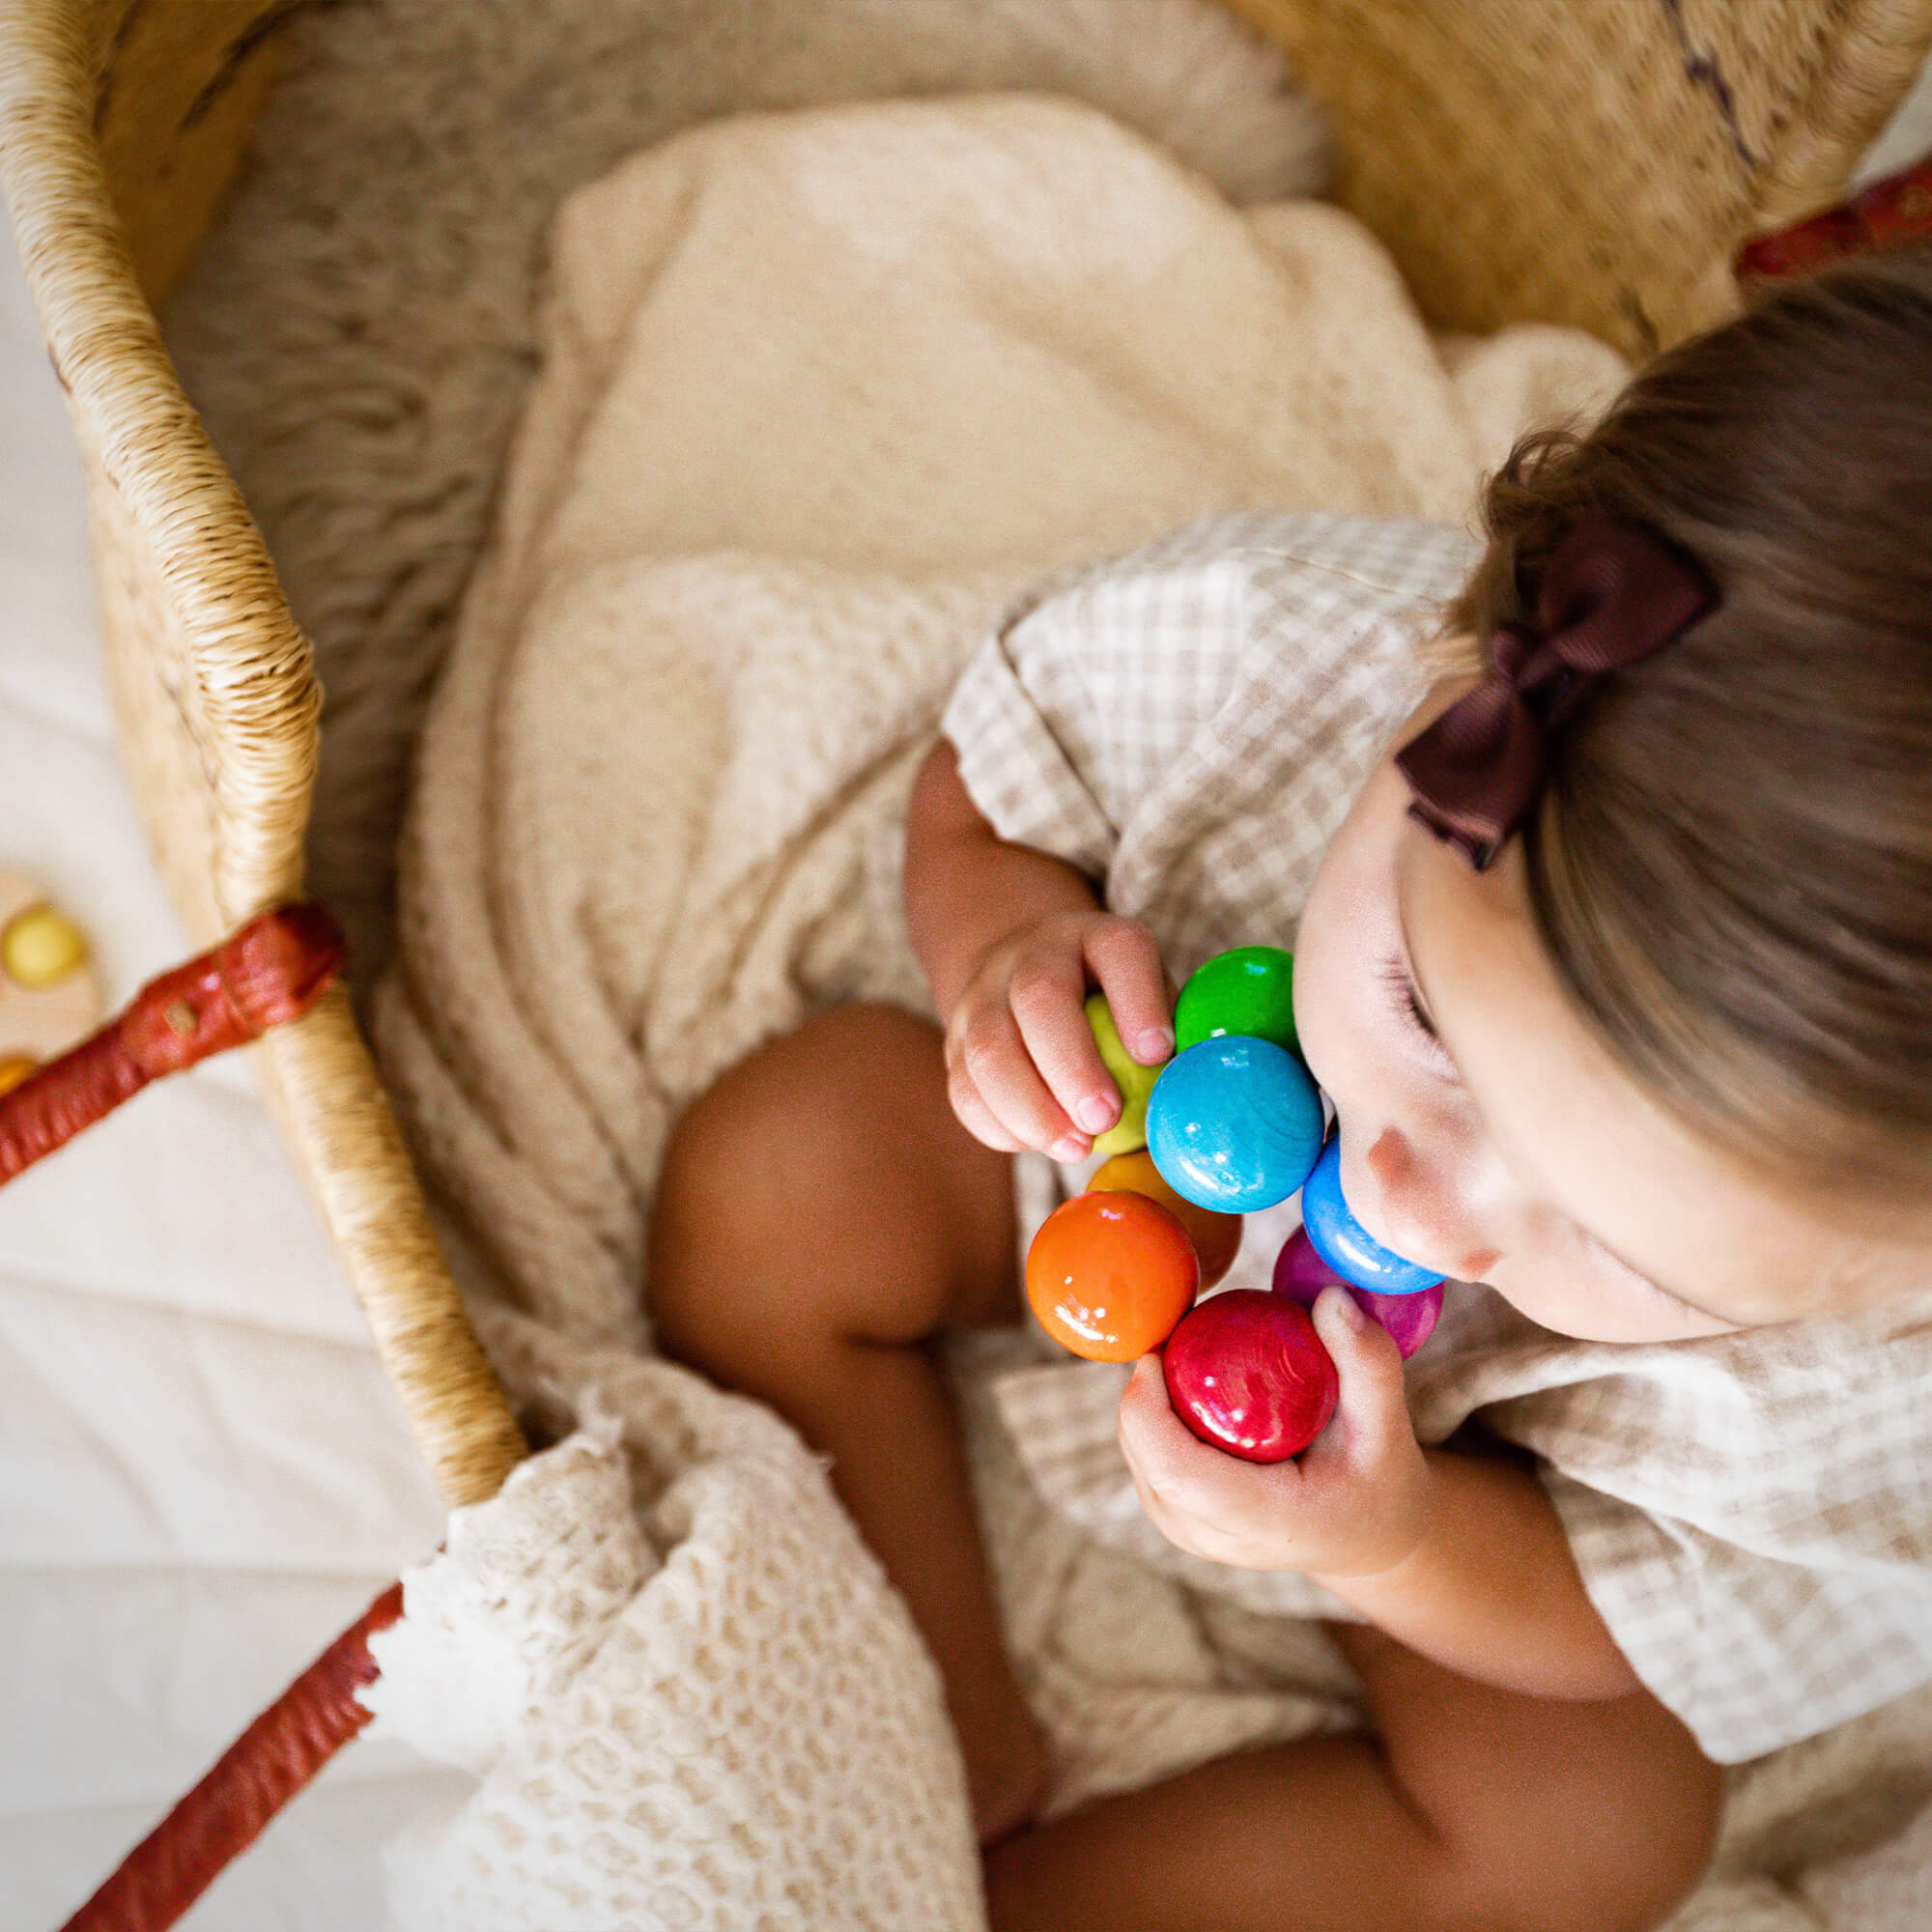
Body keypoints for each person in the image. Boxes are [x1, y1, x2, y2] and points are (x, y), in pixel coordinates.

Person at [647, 243, 1932, 1930]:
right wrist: (1006, 955)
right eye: (1419, 1006)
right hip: (1104, 1160)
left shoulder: (1881, 1391)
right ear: (1458, 682)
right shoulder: (1297, 653)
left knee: (1592, 1837)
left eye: (1626, 1252)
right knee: (777, 1178)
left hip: (1468, 1475)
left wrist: (1387, 1542)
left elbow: (1627, 1616)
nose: (1406, 1194)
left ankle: (1009, 1905)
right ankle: (938, 1728)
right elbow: (991, 773)